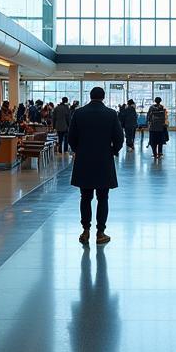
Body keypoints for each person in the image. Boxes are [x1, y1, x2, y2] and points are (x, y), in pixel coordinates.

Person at [68, 86, 124, 246]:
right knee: (103, 198)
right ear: (103, 97)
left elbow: (71, 138)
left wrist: (79, 150)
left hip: (84, 161)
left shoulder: (79, 113)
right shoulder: (111, 114)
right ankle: (100, 232)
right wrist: (112, 151)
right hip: (103, 161)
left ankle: (85, 230)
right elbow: (119, 138)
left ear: (90, 96)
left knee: (85, 197)